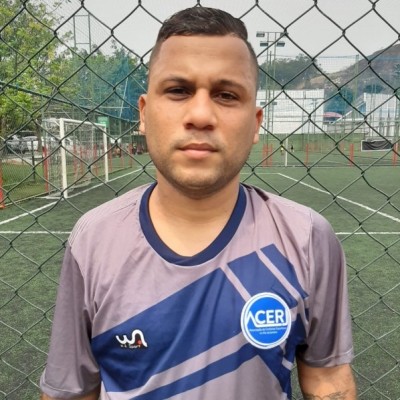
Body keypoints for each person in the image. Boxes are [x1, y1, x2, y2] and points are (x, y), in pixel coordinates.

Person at [40, 7, 356, 400]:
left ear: (256, 122)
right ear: (144, 113)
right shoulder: (93, 239)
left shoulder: (307, 238)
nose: (201, 115)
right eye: (178, 90)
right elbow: (71, 393)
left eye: (226, 95)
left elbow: (328, 381)